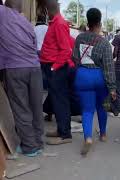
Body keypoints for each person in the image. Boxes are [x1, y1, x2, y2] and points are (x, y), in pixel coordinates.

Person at [0, 0, 44, 157]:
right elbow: (33, 45)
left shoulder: (2, 13)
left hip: (15, 68)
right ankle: (38, 142)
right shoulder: (25, 22)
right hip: (35, 67)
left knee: (21, 108)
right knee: (36, 107)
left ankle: (30, 146)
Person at [72, 8, 116, 155]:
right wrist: (112, 88)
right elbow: (109, 67)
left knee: (87, 110)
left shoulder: (79, 38)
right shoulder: (104, 43)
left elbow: (75, 58)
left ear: (88, 22)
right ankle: (103, 134)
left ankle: (88, 138)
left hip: (83, 76)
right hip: (99, 77)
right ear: (99, 22)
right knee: (102, 106)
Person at [40, 0, 75, 145]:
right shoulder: (55, 23)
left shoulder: (59, 24)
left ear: (47, 10)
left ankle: (65, 134)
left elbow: (66, 50)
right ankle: (61, 130)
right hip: (54, 67)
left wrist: (54, 67)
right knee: (57, 100)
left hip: (58, 68)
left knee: (60, 101)